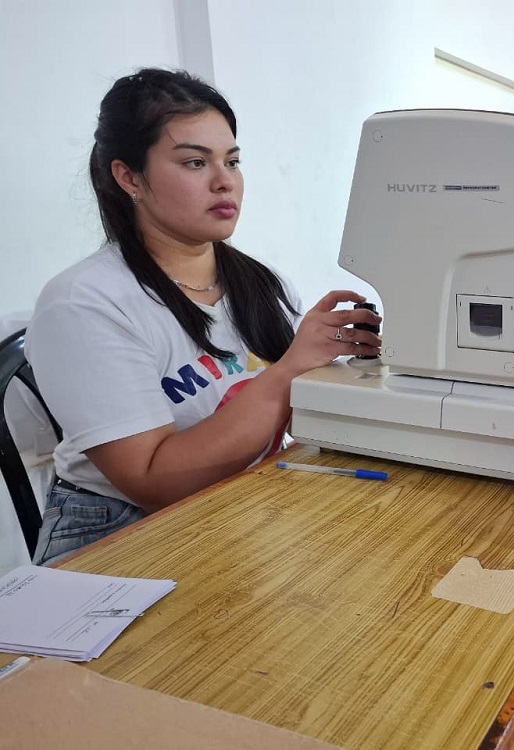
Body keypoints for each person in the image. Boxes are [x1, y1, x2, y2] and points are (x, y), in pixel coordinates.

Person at [26, 69, 380, 565]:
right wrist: (289, 371)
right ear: (129, 177)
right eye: (195, 162)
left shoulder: (262, 284)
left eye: (232, 161)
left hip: (241, 501)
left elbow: (298, 417)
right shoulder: (83, 303)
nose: (224, 181)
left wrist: (351, 367)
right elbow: (152, 482)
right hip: (120, 531)